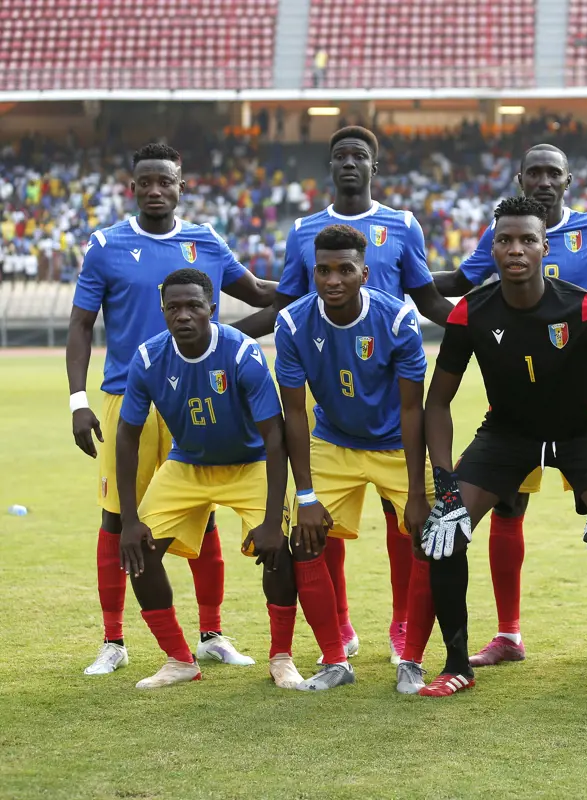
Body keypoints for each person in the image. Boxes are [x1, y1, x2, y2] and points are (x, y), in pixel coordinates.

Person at [420, 197, 587, 700]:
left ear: (544, 247)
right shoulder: (471, 313)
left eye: (527, 239)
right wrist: (444, 487)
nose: (515, 249)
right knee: (444, 531)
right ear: (492, 248)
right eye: (504, 240)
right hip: (506, 435)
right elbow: (436, 404)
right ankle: (456, 663)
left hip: (581, 432)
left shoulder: (583, 307)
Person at [67, 142, 277, 676]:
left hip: (199, 395)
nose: (155, 190)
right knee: (119, 519)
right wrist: (78, 400)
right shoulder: (106, 246)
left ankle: (211, 634)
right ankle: (114, 641)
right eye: (145, 182)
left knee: (202, 515)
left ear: (182, 186)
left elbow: (256, 293)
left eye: (165, 181)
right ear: (132, 188)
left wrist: (319, 288)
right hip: (126, 399)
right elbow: (80, 325)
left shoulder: (205, 240)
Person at [254, 126, 452, 668]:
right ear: (329, 165)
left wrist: (484, 325)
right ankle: (337, 627)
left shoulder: (403, 225)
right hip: (333, 400)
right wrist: (228, 337)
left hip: (392, 398)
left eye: (359, 156)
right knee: (321, 523)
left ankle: (402, 625)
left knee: (405, 524)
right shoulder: (303, 232)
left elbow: (428, 296)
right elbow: (289, 303)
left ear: (374, 166)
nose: (349, 163)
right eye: (339, 155)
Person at [114, 269, 302, 689]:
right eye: (173, 307)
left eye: (193, 306)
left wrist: (273, 520)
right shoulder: (148, 358)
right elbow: (126, 438)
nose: (183, 315)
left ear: (212, 309)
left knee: (278, 550)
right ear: (162, 312)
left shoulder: (240, 353)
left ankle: (282, 658)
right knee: (138, 553)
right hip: (187, 465)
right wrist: (129, 518)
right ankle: (179, 660)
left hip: (249, 462)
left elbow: (275, 436)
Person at [273, 224, 429, 692]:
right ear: (312, 272)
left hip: (396, 444)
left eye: (345, 270)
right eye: (323, 270)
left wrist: (419, 492)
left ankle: (412, 659)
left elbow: (412, 409)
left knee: (430, 536)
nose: (332, 279)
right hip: (334, 441)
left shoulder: (398, 319)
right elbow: (294, 414)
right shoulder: (294, 323)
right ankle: (335, 660)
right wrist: (303, 495)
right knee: (303, 537)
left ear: (365, 273)